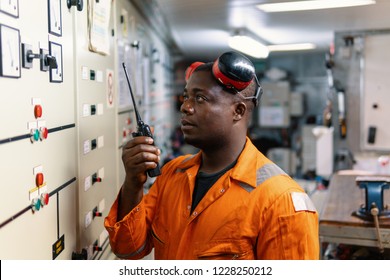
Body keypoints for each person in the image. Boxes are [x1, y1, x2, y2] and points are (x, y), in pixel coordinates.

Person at [104, 51, 319, 260]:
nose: (185, 107)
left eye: (200, 98)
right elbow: (128, 249)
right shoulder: (172, 174)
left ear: (238, 111)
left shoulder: (282, 202)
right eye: (186, 96)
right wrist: (133, 182)